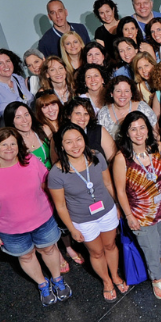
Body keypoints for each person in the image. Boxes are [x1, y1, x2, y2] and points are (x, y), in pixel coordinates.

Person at [0, 128, 71, 306]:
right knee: (26, 256)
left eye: (13, 143)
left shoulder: (30, 161)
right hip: (10, 230)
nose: (9, 148)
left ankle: (57, 280)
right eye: (4, 144)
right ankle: (43, 284)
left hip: (43, 220)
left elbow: (45, 184)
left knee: (49, 249)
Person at [48, 123, 126, 302]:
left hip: (107, 210)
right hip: (83, 219)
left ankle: (114, 275)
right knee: (96, 252)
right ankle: (106, 281)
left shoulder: (96, 156)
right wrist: (72, 229)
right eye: (69, 142)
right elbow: (60, 206)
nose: (75, 146)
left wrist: (117, 205)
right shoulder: (56, 173)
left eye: (78, 140)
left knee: (111, 246)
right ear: (61, 146)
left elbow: (108, 183)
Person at [112, 112, 161, 300]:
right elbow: (120, 191)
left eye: (142, 127)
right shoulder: (122, 158)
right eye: (133, 129)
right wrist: (129, 216)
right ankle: (157, 278)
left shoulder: (156, 147)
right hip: (141, 214)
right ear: (126, 133)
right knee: (149, 247)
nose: (138, 133)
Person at [0, 49, 33, 134]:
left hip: (31, 126)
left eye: (8, 61)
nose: (6, 65)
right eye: (0, 63)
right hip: (13, 133)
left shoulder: (17, 78)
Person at [62, 97, 117, 163]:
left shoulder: (99, 131)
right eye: (78, 113)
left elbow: (113, 160)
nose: (82, 118)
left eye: (86, 114)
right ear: (69, 115)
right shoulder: (61, 134)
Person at [3, 101, 52, 170]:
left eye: (26, 115)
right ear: (11, 121)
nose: (25, 120)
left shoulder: (44, 130)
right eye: (18, 117)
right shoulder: (12, 143)